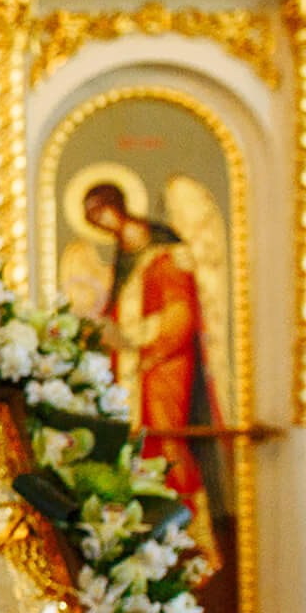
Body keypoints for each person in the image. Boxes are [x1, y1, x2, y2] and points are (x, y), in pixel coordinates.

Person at [80, 181, 226, 550]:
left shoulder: (165, 252)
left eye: (101, 212)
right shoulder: (124, 258)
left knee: (167, 442)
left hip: (165, 366)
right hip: (135, 368)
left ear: (118, 206)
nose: (102, 223)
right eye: (93, 219)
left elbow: (180, 315)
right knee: (141, 449)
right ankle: (153, 536)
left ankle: (195, 536)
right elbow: (119, 310)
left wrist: (140, 343)